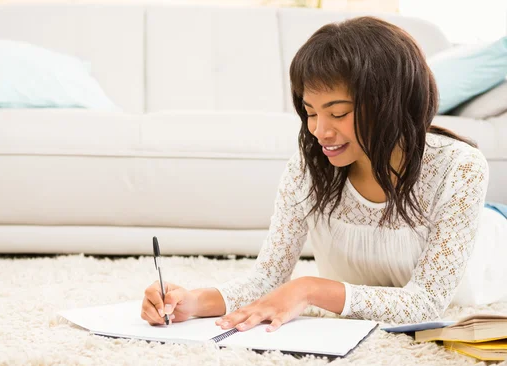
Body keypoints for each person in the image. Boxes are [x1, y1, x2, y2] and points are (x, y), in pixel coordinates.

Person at [140, 16, 507, 331]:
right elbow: (268, 278)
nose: (320, 130)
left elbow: (426, 303)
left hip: (492, 238)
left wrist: (310, 289)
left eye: (338, 112)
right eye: (310, 111)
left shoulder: (459, 167)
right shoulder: (310, 165)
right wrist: (193, 302)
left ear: (390, 102)